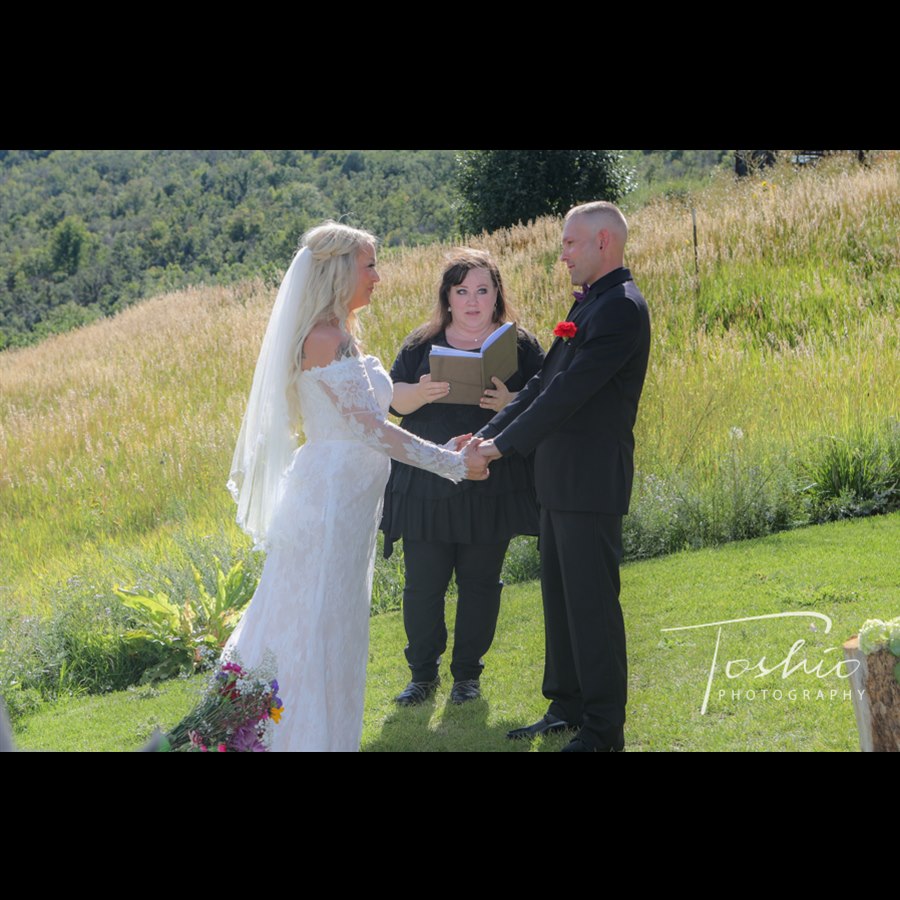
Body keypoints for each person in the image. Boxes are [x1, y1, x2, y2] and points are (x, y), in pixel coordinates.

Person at [224, 222, 488, 752]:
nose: (377, 277)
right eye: (369, 266)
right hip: (328, 507)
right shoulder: (328, 340)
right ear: (340, 271)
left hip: (345, 508)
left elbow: (373, 419)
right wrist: (451, 464)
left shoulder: (338, 335)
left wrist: (445, 447)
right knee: (313, 626)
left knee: (332, 625)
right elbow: (370, 430)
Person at [473, 201, 651, 752]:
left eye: (571, 243)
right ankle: (566, 707)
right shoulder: (589, 303)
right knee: (562, 601)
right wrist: (486, 435)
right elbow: (542, 386)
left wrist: (500, 448)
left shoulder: (621, 308)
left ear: (604, 241)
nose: (563, 254)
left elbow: (567, 397)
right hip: (559, 482)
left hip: (590, 483)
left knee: (592, 607)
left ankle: (603, 729)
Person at [381, 249, 544, 706]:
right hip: (428, 483)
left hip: (490, 482)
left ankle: (467, 677)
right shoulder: (420, 345)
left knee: (481, 583)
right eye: (462, 291)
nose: (473, 301)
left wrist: (511, 401)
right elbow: (392, 402)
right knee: (423, 585)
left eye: (482, 290)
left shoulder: (522, 346)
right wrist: (421, 392)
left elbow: (547, 403)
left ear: (497, 296)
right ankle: (422, 676)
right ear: (447, 297)